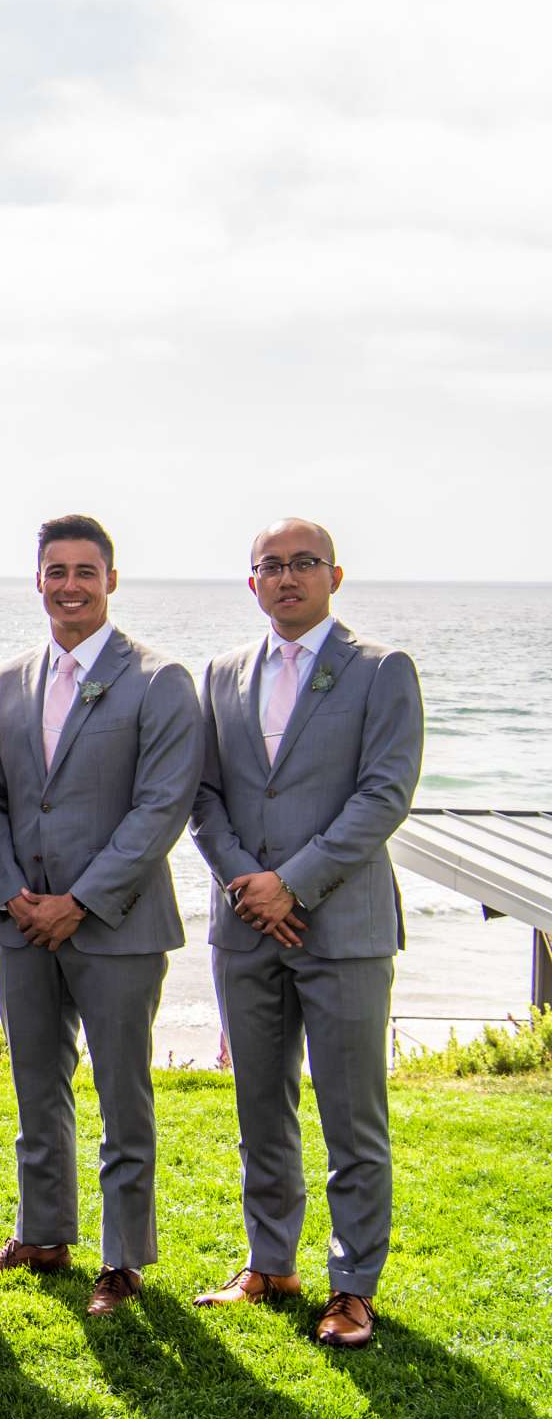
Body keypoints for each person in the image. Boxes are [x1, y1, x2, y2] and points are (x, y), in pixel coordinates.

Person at [0, 517, 198, 1315]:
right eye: (55, 571)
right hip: (22, 922)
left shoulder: (159, 680)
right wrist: (12, 892)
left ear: (111, 581)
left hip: (116, 925)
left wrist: (82, 900)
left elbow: (162, 807)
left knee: (123, 1097)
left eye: (85, 571)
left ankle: (124, 1259)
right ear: (38, 582)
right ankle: (42, 1232)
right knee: (35, 1087)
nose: (69, 586)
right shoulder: (6, 679)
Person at [188, 518, 422, 1350]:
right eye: (271, 566)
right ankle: (270, 1263)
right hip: (246, 927)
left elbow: (385, 794)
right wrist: (246, 884)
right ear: (252, 583)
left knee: (353, 1115)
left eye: (303, 563)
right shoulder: (219, 674)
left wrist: (294, 881)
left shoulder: (381, 670)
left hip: (345, 925)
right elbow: (202, 797)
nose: (287, 577)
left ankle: (353, 1286)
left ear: (335, 575)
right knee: (261, 1106)